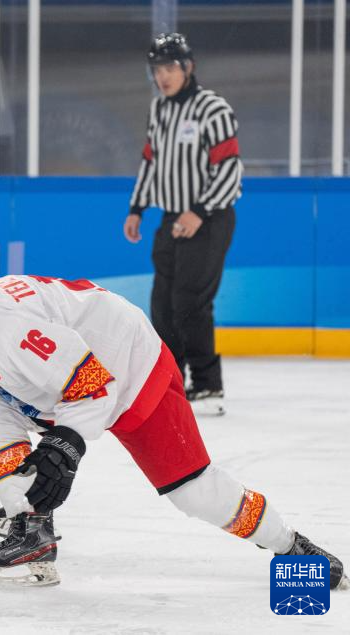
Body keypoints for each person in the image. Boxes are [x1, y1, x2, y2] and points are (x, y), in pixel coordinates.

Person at [0, 251, 347, 590]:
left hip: (131, 369)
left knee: (194, 493)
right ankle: (31, 530)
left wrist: (64, 447)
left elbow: (94, 385)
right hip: (56, 381)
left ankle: (292, 546)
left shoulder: (9, 327)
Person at [124, 33, 240, 417]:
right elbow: (150, 162)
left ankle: (207, 384)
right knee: (162, 303)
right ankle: (170, 382)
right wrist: (137, 207)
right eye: (156, 69)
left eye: (170, 67)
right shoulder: (159, 110)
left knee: (190, 301)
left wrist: (199, 211)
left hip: (210, 218)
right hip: (172, 217)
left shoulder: (213, 109)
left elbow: (229, 169)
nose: (163, 76)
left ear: (188, 67)